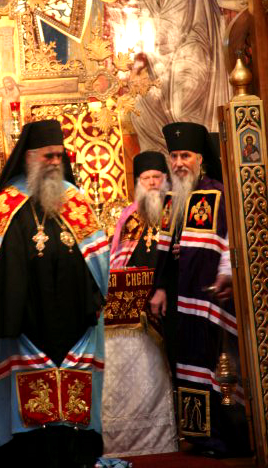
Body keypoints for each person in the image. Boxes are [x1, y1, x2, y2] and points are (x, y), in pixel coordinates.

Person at [0, 119, 110, 467]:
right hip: (26, 332)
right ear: (29, 156)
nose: (54, 162)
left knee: (71, 423)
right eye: (47, 155)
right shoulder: (5, 206)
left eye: (59, 156)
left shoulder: (75, 201)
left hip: (73, 331)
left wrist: (92, 303)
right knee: (31, 435)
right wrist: (11, 319)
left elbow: (98, 262)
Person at [150, 122, 249, 457]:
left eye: (185, 156)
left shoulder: (217, 193)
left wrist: (224, 272)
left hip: (211, 299)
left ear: (200, 159)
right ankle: (200, 435)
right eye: (174, 156)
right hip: (181, 299)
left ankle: (227, 438)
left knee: (216, 367)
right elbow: (166, 250)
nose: (179, 163)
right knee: (187, 365)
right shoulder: (171, 198)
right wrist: (160, 288)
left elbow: (229, 240)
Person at [122, 0, 230, 152]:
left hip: (194, 46)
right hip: (163, 56)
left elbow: (176, 24)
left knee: (181, 105)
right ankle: (165, 165)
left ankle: (199, 162)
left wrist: (146, 53)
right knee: (140, 108)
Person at [102, 151, 177, 457]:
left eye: (156, 177)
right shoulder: (129, 215)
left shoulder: (175, 210)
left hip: (169, 297)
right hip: (135, 303)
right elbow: (118, 257)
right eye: (146, 179)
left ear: (165, 179)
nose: (152, 183)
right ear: (138, 183)